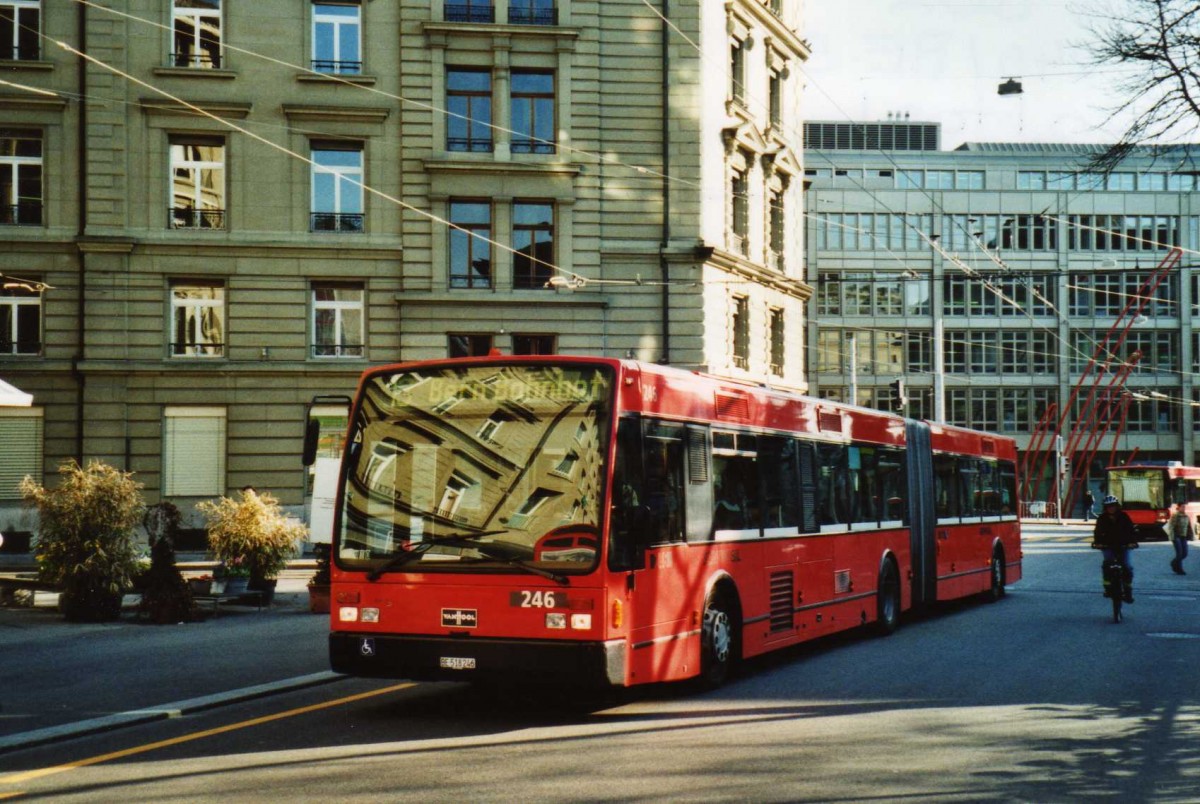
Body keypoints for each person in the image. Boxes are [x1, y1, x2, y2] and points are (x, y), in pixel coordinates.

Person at [1092, 494, 1137, 602]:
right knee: (1107, 564)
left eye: (1112, 506)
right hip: (1107, 546)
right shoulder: (1102, 518)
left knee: (1127, 566)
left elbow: (1131, 530)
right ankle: (1107, 588)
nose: (1111, 508)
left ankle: (1128, 590)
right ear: (1105, 507)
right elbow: (1097, 532)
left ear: (1117, 506)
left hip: (1124, 545)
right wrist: (1097, 543)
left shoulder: (1124, 516)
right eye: (1108, 506)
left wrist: (1132, 542)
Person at [1166, 503, 1191, 575]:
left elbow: (1188, 527)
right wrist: (1172, 536)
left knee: (1185, 553)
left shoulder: (1186, 516)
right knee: (1179, 553)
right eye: (1182, 507)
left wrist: (1190, 535)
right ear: (1178, 507)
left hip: (1183, 536)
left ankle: (1173, 563)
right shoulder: (1175, 515)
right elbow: (1171, 526)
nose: (1184, 508)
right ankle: (1179, 569)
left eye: (1184, 507)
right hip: (1176, 536)